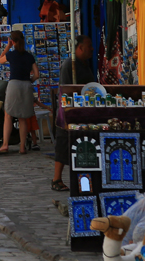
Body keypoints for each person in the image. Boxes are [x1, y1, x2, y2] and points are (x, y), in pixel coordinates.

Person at [51, 34, 94, 191]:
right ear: (80, 47)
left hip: (83, 109)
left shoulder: (84, 63)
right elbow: (66, 89)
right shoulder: (70, 65)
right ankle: (56, 179)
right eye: (89, 46)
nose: (92, 49)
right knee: (63, 143)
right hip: (69, 109)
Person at [0, 30, 39, 155]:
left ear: (13, 41)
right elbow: (37, 74)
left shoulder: (11, 55)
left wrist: (8, 47)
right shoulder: (29, 56)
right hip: (26, 85)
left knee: (8, 115)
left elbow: (0, 60)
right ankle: (22, 147)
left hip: (13, 85)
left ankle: (5, 145)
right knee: (23, 118)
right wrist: (29, 81)